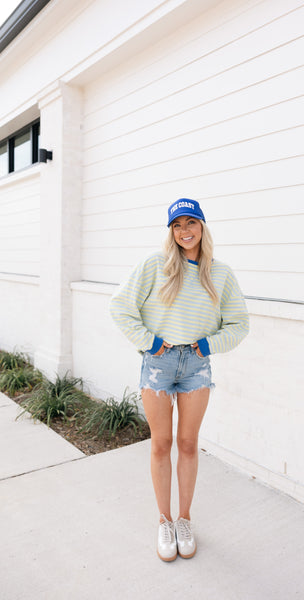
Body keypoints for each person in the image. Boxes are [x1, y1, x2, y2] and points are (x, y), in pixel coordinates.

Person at [109, 199, 249, 561]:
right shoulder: (156, 265)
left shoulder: (220, 273)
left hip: (196, 365)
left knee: (188, 444)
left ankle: (184, 519)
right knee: (161, 443)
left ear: (203, 226)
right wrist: (150, 342)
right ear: (170, 231)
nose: (185, 231)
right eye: (177, 225)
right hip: (159, 363)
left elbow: (239, 325)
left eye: (192, 223)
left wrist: (208, 344)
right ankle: (163, 519)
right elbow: (120, 306)